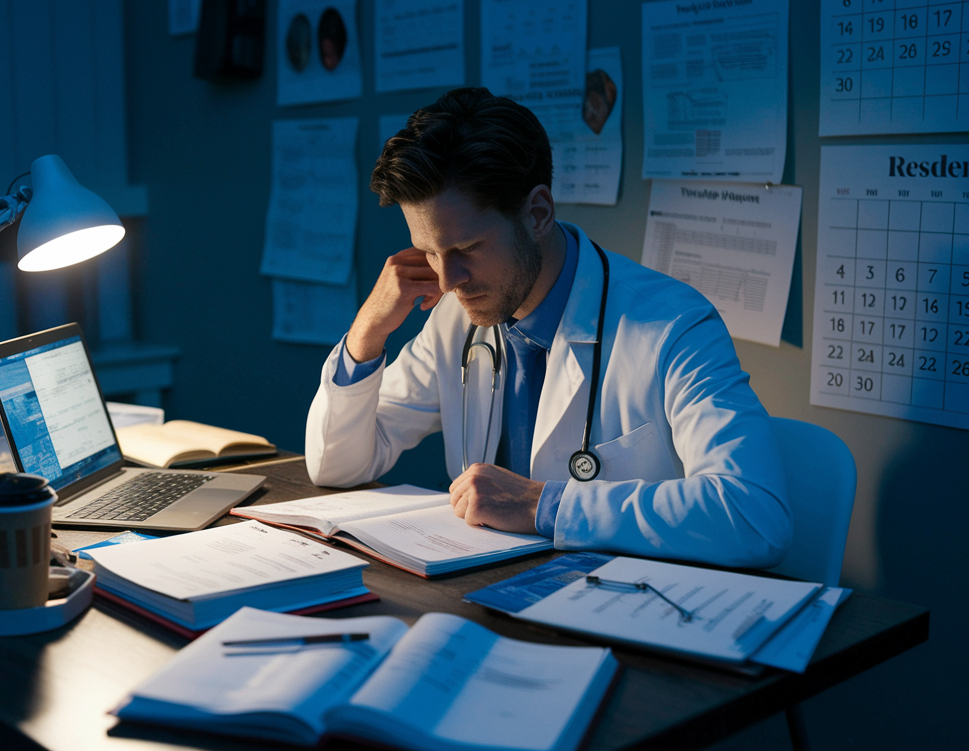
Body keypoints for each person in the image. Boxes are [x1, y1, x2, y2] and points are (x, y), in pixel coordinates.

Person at [305, 87, 791, 569]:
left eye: (467, 248)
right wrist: (367, 331)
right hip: (490, 596)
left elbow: (752, 515)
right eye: (430, 252)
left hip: (627, 608)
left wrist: (543, 505)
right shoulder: (457, 318)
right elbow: (338, 466)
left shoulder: (674, 326)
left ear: (538, 213)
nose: (447, 281)